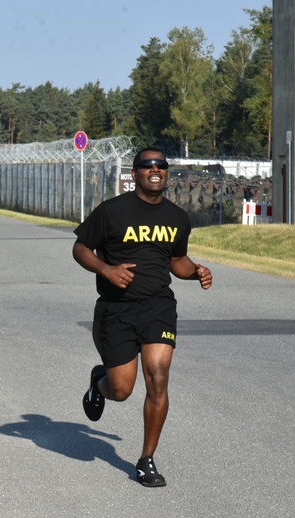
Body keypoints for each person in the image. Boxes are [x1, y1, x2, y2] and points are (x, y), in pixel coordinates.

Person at [71, 147, 212, 487]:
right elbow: (80, 248)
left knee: (158, 376)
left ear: (166, 173)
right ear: (134, 173)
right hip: (116, 309)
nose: (155, 170)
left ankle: (146, 459)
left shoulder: (178, 218)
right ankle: (98, 382)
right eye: (147, 165)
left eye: (161, 166)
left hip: (158, 306)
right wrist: (106, 269)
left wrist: (196, 272)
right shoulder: (112, 212)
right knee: (121, 390)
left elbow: (176, 261)